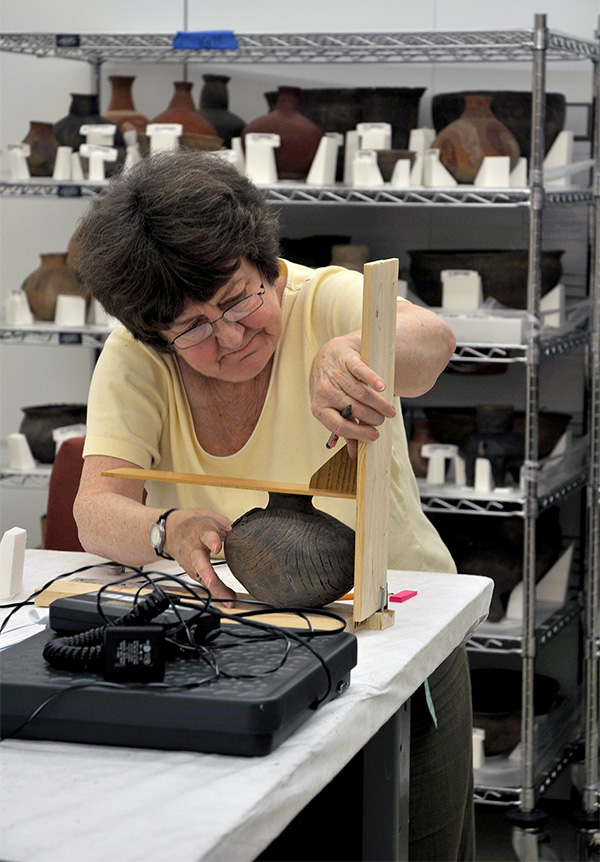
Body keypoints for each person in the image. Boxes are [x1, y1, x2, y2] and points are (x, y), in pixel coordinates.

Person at [72, 150, 474, 860]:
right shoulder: (140, 356)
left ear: (270, 267)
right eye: (191, 328)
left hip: (401, 631)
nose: (227, 338)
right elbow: (96, 508)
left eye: (237, 300)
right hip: (243, 642)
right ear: (157, 332)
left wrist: (351, 350)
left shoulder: (325, 299)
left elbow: (435, 343)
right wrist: (168, 528)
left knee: (414, 841)